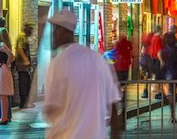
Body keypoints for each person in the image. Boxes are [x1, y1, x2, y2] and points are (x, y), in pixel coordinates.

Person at [43, 10, 121, 138]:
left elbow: (51, 108)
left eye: (55, 30)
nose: (53, 35)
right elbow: (113, 103)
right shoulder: (98, 59)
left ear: (63, 31)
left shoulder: (59, 63)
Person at [159, 32, 177, 124]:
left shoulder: (163, 51)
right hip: (176, 73)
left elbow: (162, 64)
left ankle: (172, 114)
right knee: (174, 92)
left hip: (167, 74)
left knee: (170, 93)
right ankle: (173, 114)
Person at [0, 28, 14, 125]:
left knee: (2, 94)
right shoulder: (1, 45)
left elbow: (11, 56)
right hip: (0, 70)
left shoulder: (2, 44)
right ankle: (3, 117)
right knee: (1, 94)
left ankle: (4, 118)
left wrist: (7, 63)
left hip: (2, 70)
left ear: (0, 35)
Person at [14, 23, 34, 109]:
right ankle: (23, 103)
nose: (32, 32)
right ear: (27, 29)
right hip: (22, 65)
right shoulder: (22, 36)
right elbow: (20, 49)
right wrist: (26, 60)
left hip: (24, 65)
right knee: (23, 83)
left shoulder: (24, 36)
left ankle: (26, 102)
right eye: (31, 29)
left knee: (27, 83)